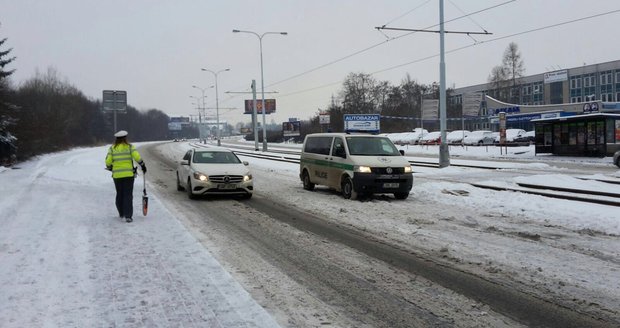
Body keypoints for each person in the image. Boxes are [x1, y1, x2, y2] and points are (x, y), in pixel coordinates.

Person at [105, 130, 146, 223]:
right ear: (125, 138)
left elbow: (108, 162)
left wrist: (110, 166)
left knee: (119, 194)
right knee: (128, 195)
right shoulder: (130, 147)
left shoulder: (112, 148)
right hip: (128, 175)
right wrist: (142, 165)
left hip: (117, 175)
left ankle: (121, 213)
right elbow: (137, 157)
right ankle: (128, 216)